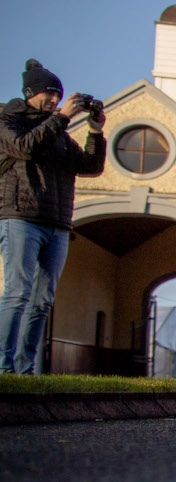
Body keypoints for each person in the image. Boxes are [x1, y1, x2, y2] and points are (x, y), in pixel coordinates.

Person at [0, 59, 105, 374]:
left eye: (58, 95)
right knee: (18, 292)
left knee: (42, 300)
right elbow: (24, 148)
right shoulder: (9, 119)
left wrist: (95, 132)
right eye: (49, 93)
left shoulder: (57, 130)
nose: (55, 100)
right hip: (21, 217)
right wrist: (61, 118)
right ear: (31, 92)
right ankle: (3, 368)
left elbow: (90, 167)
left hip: (57, 224)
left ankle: (25, 368)